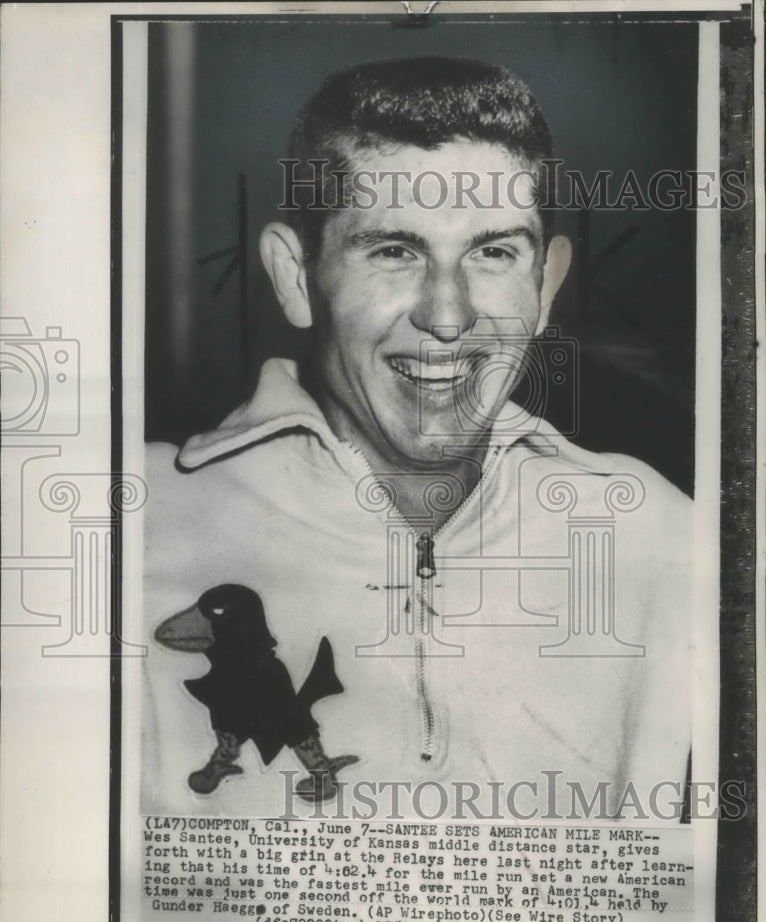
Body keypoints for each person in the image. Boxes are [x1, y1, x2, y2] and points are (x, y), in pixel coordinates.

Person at [144, 57, 691, 821]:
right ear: (296, 276)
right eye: (393, 250)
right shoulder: (135, 527)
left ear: (545, 287)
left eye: (493, 251)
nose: (447, 315)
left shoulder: (662, 535)